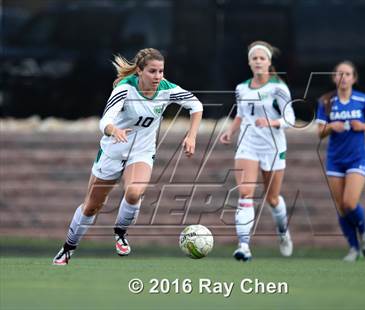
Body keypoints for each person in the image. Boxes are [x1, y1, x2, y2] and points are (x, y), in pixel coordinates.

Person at [53, 48, 203, 265]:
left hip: (141, 152)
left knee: (134, 193)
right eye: (152, 71)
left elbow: (195, 105)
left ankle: (120, 233)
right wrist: (115, 131)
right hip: (113, 152)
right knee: (92, 206)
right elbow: (104, 121)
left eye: (161, 71)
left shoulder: (167, 89)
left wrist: (192, 136)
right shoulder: (124, 89)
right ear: (140, 71)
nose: (158, 77)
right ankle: (68, 248)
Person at [220, 41, 295, 261]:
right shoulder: (242, 88)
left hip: (273, 147)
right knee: (245, 194)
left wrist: (271, 123)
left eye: (262, 58)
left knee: (272, 199)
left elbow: (290, 118)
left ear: (269, 62)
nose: (258, 61)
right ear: (249, 62)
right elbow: (241, 115)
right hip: (248, 145)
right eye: (254, 58)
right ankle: (244, 246)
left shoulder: (278, 87)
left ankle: (283, 231)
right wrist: (230, 132)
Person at [316, 60, 365, 262]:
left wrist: (363, 127)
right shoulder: (326, 102)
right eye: (339, 74)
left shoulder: (363, 100)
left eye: (347, 74)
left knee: (349, 202)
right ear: (334, 78)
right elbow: (320, 133)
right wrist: (330, 127)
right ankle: (354, 248)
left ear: (354, 78)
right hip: (335, 160)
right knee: (341, 207)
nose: (343, 78)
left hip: (357, 158)